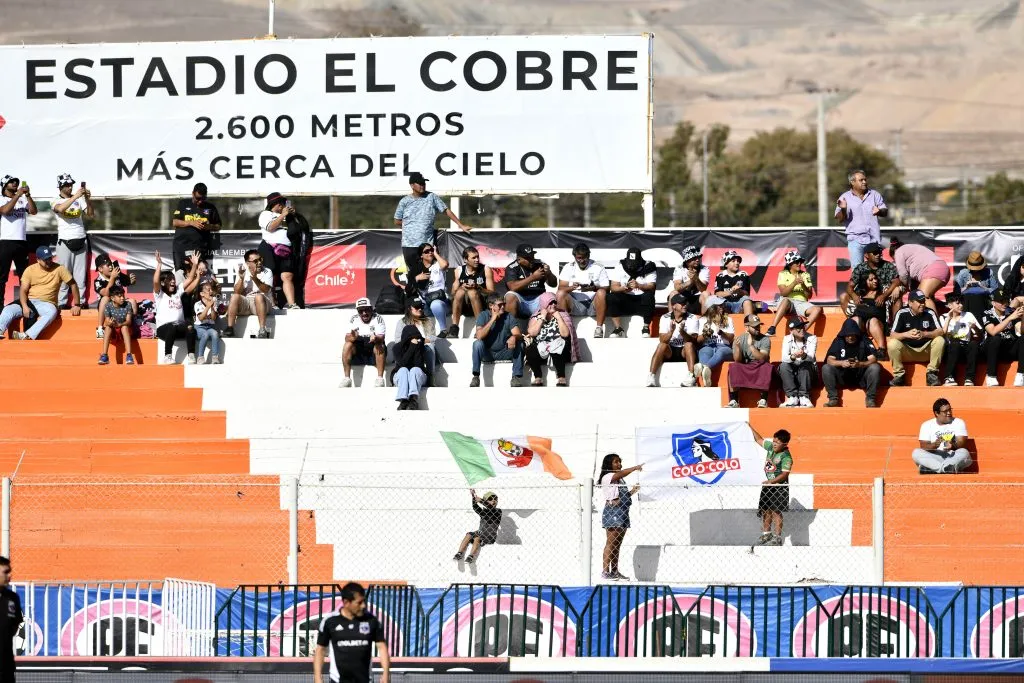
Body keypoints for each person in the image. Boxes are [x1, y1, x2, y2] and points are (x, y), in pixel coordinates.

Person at [394, 171, 470, 276]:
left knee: (430, 274)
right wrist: (412, 223)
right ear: (412, 185)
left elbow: (446, 210)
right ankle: (413, 292)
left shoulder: (432, 197)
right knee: (413, 275)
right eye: (419, 183)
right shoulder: (404, 201)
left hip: (426, 245)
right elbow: (397, 220)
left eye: (424, 183)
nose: (422, 185)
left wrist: (460, 225)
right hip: (409, 244)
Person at [0, 245, 81, 340]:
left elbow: (73, 284)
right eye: (45, 259)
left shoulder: (60, 269)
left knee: (52, 312)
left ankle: (27, 335)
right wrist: (25, 306)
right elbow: (23, 290)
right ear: (38, 260)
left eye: (49, 258)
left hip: (46, 303)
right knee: (8, 309)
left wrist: (77, 304)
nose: (48, 261)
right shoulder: (30, 269)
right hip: (29, 301)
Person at [314, 582, 390, 683]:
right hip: (338, 680)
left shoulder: (371, 620)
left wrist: (386, 674)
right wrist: (318, 677)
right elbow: (320, 650)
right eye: (359, 602)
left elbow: (382, 647)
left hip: (366, 680)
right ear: (346, 602)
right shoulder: (330, 621)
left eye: (364, 601)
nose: (363, 606)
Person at [841, 242, 902, 357]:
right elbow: (849, 286)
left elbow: (896, 281)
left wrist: (884, 295)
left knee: (897, 296)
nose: (878, 255)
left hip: (883, 300)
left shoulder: (888, 266)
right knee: (843, 296)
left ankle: (893, 327)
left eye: (880, 252)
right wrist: (854, 296)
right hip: (863, 300)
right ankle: (854, 324)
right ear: (866, 256)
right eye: (875, 253)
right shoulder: (861, 268)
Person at [52, 173, 93, 308]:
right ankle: (61, 303)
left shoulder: (79, 200)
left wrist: (87, 199)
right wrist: (76, 196)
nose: (70, 187)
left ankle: (80, 302)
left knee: (80, 277)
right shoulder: (54, 200)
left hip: (81, 239)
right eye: (67, 185)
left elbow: (91, 215)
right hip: (64, 241)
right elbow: (61, 209)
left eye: (71, 185)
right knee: (64, 275)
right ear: (60, 186)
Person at [598, 454, 641, 581]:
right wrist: (635, 468)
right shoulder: (608, 476)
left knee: (617, 544)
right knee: (610, 543)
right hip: (613, 511)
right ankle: (605, 572)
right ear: (609, 464)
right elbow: (621, 473)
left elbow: (622, 496)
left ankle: (615, 571)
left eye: (620, 462)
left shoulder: (620, 480)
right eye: (616, 462)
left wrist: (633, 491)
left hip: (623, 511)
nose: (619, 464)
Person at [888, 289, 945, 387]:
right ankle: (899, 376)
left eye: (923, 301)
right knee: (892, 343)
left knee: (940, 340)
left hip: (926, 351)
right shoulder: (901, 313)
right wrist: (906, 334)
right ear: (910, 303)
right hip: (907, 351)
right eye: (919, 301)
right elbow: (892, 335)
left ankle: (931, 374)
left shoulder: (930, 313)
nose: (922, 304)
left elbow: (940, 331)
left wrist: (924, 334)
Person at [822, 318, 882, 407]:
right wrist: (842, 363)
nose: (850, 337)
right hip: (842, 375)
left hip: (861, 376)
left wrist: (860, 364)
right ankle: (833, 398)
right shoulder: (838, 341)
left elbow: (873, 359)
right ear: (844, 334)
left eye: (853, 334)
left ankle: (870, 399)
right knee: (826, 368)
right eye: (848, 335)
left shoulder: (864, 340)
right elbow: (829, 360)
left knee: (875, 367)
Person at [557, 242, 610, 338]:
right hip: (574, 304)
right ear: (574, 257)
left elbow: (607, 287)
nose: (581, 261)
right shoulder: (568, 267)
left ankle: (599, 328)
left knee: (601, 292)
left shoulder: (598, 267)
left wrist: (594, 287)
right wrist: (571, 287)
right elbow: (560, 288)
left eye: (584, 258)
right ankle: (565, 327)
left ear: (588, 256)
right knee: (560, 294)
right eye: (579, 258)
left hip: (593, 303)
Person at [153, 250, 198, 364]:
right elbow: (155, 281)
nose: (173, 281)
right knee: (171, 327)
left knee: (190, 327)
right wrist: (159, 265)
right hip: (164, 329)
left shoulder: (178, 291)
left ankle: (191, 355)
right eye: (169, 280)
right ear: (163, 283)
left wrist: (195, 265)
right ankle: (168, 356)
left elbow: (190, 278)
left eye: (173, 279)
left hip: (179, 327)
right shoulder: (159, 294)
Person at [835, 170, 887, 265]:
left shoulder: (875, 195)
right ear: (852, 182)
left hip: (873, 239)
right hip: (855, 240)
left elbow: (885, 211)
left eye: (865, 179)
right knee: (858, 272)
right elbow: (840, 219)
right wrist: (843, 209)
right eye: (861, 180)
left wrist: (879, 211)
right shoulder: (844, 197)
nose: (864, 182)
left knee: (876, 269)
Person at [471, 294, 525, 387]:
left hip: (504, 352)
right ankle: (476, 376)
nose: (503, 307)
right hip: (487, 353)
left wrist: (514, 337)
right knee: (477, 344)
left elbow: (518, 334)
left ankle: (516, 377)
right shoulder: (483, 315)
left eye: (504, 304)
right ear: (491, 306)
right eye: (500, 305)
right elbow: (479, 336)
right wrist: (492, 319)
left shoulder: (508, 316)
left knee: (520, 343)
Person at [647, 294, 699, 388]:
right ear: (674, 306)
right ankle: (651, 376)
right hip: (670, 351)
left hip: (684, 351)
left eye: (685, 303)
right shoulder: (665, 317)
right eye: (682, 303)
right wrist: (671, 331)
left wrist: (682, 332)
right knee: (661, 345)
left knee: (689, 345)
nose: (685, 305)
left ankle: (691, 376)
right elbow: (662, 339)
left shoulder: (692, 317)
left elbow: (694, 340)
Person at [257, 192, 299, 310]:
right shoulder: (265, 214)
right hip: (270, 246)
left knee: (287, 276)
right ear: (276, 204)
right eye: (282, 203)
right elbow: (270, 228)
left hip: (286, 249)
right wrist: (282, 216)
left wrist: (293, 216)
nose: (284, 206)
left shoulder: (288, 215)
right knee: (269, 275)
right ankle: (272, 304)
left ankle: (292, 304)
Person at [0, 174, 36, 307]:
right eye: (11, 182)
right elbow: (5, 210)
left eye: (16, 182)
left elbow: (33, 211)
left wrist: (27, 196)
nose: (15, 184)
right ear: (4, 185)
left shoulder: (22, 199)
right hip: (5, 242)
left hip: (21, 242)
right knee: (2, 277)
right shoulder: (1, 199)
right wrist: (18, 195)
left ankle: (25, 304)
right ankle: (0, 307)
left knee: (24, 276)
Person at [767, 250, 822, 335]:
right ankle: (772, 328)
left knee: (817, 309)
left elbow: (809, 296)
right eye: (796, 262)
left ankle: (802, 331)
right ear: (790, 264)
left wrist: (803, 285)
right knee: (785, 300)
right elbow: (783, 294)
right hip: (788, 302)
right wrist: (794, 283)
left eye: (800, 261)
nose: (799, 263)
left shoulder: (805, 275)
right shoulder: (783, 274)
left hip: (801, 303)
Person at [171, 182, 221, 273]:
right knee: (180, 273)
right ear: (192, 193)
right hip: (181, 246)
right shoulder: (183, 203)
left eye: (203, 198)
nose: (200, 201)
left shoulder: (211, 207)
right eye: (198, 198)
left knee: (199, 273)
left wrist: (208, 226)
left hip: (199, 248)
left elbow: (218, 226)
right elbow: (175, 222)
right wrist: (191, 222)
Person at [607, 247, 657, 338]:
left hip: (641, 301)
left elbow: (651, 286)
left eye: (635, 264)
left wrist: (639, 286)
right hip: (625, 300)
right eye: (630, 263)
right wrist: (623, 288)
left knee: (649, 295)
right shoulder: (620, 266)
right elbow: (613, 287)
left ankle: (646, 327)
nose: (632, 266)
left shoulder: (649, 267)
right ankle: (618, 328)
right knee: (611, 297)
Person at [912, 398, 972, 474]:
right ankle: (947, 469)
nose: (949, 413)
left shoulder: (958, 422)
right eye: (945, 411)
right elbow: (923, 446)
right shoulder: (926, 425)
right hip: (936, 456)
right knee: (916, 452)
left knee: (964, 452)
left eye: (950, 410)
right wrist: (934, 445)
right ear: (937, 413)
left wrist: (953, 445)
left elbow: (962, 443)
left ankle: (933, 469)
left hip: (953, 455)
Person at [889, 237, 949, 313]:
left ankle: (935, 323)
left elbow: (903, 275)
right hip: (942, 268)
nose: (896, 262)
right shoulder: (911, 248)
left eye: (895, 260)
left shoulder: (898, 252)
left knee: (922, 297)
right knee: (922, 297)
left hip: (933, 270)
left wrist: (903, 287)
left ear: (893, 253)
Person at [754, 429, 792, 546]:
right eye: (774, 441)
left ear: (784, 444)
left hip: (779, 487)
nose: (774, 444)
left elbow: (784, 474)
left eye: (777, 442)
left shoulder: (786, 457)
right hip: (768, 486)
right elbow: (759, 439)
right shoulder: (771, 447)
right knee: (765, 510)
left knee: (776, 511)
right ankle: (766, 533)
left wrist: (771, 481)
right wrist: (749, 426)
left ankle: (777, 537)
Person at [526, 292, 573, 386]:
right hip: (542, 347)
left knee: (559, 347)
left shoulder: (562, 314)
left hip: (558, 346)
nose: (553, 305)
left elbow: (565, 334)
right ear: (544, 304)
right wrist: (542, 318)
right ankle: (538, 377)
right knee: (530, 349)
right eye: (550, 303)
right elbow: (532, 333)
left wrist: (558, 317)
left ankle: (561, 377)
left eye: (554, 302)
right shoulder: (536, 316)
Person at [726, 314, 772, 408]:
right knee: (733, 366)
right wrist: (738, 348)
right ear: (746, 327)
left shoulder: (765, 339)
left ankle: (763, 399)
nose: (758, 328)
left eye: (758, 326)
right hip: (745, 365)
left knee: (766, 366)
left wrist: (751, 346)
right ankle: (734, 400)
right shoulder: (739, 339)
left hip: (759, 365)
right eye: (754, 326)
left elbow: (762, 358)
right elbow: (737, 360)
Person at [225, 249, 273, 339]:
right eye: (255, 261)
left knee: (259, 296)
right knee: (234, 297)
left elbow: (266, 290)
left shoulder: (267, 271)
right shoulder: (243, 272)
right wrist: (241, 279)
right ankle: (230, 328)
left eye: (260, 259)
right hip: (248, 303)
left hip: (263, 302)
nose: (259, 263)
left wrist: (254, 278)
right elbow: (237, 292)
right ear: (247, 263)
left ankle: (262, 329)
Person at [981, 288, 1024, 387]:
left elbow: (1021, 331)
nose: (1004, 303)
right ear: (993, 302)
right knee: (995, 338)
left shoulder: (1011, 312)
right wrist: (1010, 318)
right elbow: (992, 331)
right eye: (1001, 301)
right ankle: (991, 376)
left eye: (1006, 300)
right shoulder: (987, 313)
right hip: (992, 350)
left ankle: (1021, 375)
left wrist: (1022, 318)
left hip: (1008, 348)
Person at [340, 297, 387, 388]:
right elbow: (346, 338)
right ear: (358, 311)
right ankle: (347, 379)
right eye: (361, 311)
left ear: (371, 309)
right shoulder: (354, 319)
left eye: (366, 310)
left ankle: (380, 379)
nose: (364, 313)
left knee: (379, 345)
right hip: (359, 351)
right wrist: (352, 337)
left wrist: (376, 338)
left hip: (374, 351)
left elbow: (381, 337)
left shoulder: (378, 318)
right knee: (347, 345)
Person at [449, 246, 494, 337]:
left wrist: (478, 287)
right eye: (473, 258)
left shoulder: (485, 269)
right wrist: (461, 287)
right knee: (460, 292)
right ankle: (454, 328)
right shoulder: (459, 270)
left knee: (472, 292)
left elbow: (492, 292)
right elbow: (453, 294)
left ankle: (479, 327)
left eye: (477, 257)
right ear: (465, 260)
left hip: (481, 302)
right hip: (464, 305)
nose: (477, 260)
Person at [503, 243, 556, 319]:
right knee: (510, 296)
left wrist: (549, 273)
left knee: (551, 296)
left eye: (532, 256)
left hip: (538, 299)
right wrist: (533, 277)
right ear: (519, 259)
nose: (531, 260)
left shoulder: (540, 264)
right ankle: (511, 328)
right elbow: (512, 287)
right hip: (522, 301)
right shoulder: (512, 267)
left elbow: (553, 284)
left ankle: (553, 328)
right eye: (528, 258)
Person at [410, 242, 452, 336]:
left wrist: (436, 254)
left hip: (441, 302)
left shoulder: (438, 265)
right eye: (427, 251)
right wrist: (417, 278)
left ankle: (443, 330)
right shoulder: (416, 269)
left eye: (431, 250)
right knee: (414, 309)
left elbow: (445, 265)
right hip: (424, 304)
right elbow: (408, 287)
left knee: (435, 304)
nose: (430, 253)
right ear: (421, 255)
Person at [940, 292, 982, 386]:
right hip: (951, 348)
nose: (961, 305)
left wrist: (974, 328)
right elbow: (942, 334)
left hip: (966, 346)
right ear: (949, 305)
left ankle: (969, 378)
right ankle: (949, 377)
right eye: (958, 303)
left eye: (961, 303)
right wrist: (948, 319)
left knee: (973, 345)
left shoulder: (968, 315)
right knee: (955, 343)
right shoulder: (943, 317)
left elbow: (979, 335)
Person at [93, 253, 137, 339]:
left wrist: (132, 280)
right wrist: (112, 278)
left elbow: (128, 282)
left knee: (133, 301)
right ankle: (100, 329)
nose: (111, 267)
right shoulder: (98, 281)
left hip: (121, 304)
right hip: (108, 309)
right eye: (108, 265)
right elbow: (105, 293)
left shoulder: (118, 274)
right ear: (100, 269)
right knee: (105, 298)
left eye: (111, 264)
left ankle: (133, 327)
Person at [453, 489, 503, 564]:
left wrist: (481, 500)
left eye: (495, 499)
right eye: (490, 499)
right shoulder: (484, 512)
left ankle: (471, 556)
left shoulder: (498, 511)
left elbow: (491, 508)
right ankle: (459, 553)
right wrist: (473, 496)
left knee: (477, 538)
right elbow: (475, 507)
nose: (493, 501)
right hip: (481, 533)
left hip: (490, 537)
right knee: (469, 535)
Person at [692, 303, 735, 387]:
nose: (721, 307)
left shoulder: (728, 319)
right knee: (704, 351)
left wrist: (722, 333)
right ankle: (706, 379)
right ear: (711, 308)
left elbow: (731, 339)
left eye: (722, 305)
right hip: (708, 346)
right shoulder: (703, 320)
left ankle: (704, 367)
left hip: (724, 346)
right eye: (718, 306)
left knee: (721, 352)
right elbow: (698, 340)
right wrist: (705, 335)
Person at [778, 319, 818, 407]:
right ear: (791, 330)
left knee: (806, 364)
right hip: (793, 370)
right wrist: (793, 356)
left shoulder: (812, 338)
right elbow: (784, 358)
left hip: (808, 372)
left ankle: (804, 397)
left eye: (803, 327)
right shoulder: (786, 338)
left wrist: (803, 355)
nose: (802, 330)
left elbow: (811, 357)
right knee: (783, 366)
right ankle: (792, 397)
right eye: (798, 328)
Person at [394, 299, 437, 375]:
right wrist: (412, 343)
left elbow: (432, 339)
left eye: (421, 306)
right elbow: (398, 341)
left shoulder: (428, 321)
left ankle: (431, 376)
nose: (420, 309)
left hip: (424, 348)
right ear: (409, 309)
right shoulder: (402, 322)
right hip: (408, 349)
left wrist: (419, 341)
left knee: (431, 348)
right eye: (417, 307)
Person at [391, 324, 430, 410]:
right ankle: (403, 400)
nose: (416, 339)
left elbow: (418, 365)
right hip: (401, 376)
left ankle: (413, 399)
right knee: (403, 370)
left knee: (414, 370)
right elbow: (403, 363)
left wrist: (417, 347)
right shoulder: (397, 348)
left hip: (417, 375)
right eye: (413, 337)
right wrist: (412, 347)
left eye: (417, 337)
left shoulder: (420, 346)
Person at [707, 250, 756, 316]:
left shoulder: (744, 274)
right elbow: (717, 293)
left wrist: (740, 291)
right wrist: (731, 291)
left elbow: (747, 294)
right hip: (726, 303)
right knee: (715, 300)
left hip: (740, 302)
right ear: (726, 264)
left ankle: (749, 324)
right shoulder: (720, 275)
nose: (737, 263)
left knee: (747, 301)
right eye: (733, 261)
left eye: (738, 261)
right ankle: (718, 324)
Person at [955, 251, 999, 321]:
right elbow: (956, 293)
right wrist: (966, 288)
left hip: (985, 304)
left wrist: (984, 288)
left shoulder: (989, 272)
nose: (975, 270)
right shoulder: (963, 273)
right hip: (967, 304)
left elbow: (996, 291)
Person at [98, 286, 135, 365]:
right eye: (119, 296)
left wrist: (120, 324)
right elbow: (107, 322)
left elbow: (128, 321)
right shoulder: (108, 306)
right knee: (108, 327)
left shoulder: (128, 304)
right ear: (112, 298)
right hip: (114, 330)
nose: (122, 298)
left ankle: (129, 355)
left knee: (124, 327)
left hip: (125, 329)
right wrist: (110, 323)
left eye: (123, 296)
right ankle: (104, 355)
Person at [0, 556, 23, 683]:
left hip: (6, 667)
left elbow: (15, 624)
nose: (10, 575)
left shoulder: (12, 597)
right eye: (5, 572)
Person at [670, 246, 709, 315]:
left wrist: (696, 279)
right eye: (694, 258)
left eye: (698, 257)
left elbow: (703, 289)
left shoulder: (704, 269)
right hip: (683, 298)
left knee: (706, 294)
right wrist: (691, 281)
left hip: (697, 298)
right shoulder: (679, 268)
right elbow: (677, 287)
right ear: (687, 260)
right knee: (673, 294)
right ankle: (672, 319)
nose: (697, 260)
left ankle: (705, 321)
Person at [193, 281, 222, 365]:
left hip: (210, 326)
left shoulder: (214, 303)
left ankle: (215, 357)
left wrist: (212, 307)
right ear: (202, 293)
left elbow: (213, 318)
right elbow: (201, 318)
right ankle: (200, 357)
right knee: (205, 334)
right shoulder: (197, 304)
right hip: (199, 327)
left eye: (211, 290)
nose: (211, 292)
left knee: (215, 334)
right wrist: (208, 306)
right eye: (208, 290)